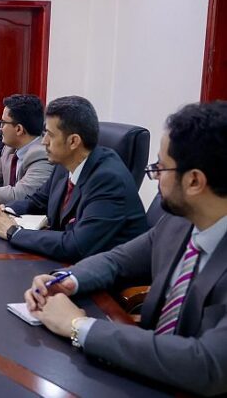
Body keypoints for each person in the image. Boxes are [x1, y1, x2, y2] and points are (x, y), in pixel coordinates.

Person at [24, 102, 227, 396]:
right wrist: (66, 279)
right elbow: (117, 260)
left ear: (194, 181)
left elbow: (207, 364)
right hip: (142, 374)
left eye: (160, 167)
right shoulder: (177, 222)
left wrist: (78, 325)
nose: (154, 175)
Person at [0, 96, 148, 262]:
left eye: (50, 135)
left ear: (73, 141)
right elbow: (38, 201)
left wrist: (14, 232)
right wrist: (4, 212)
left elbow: (76, 245)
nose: (44, 142)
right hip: (66, 263)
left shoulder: (108, 180)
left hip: (106, 272)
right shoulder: (64, 164)